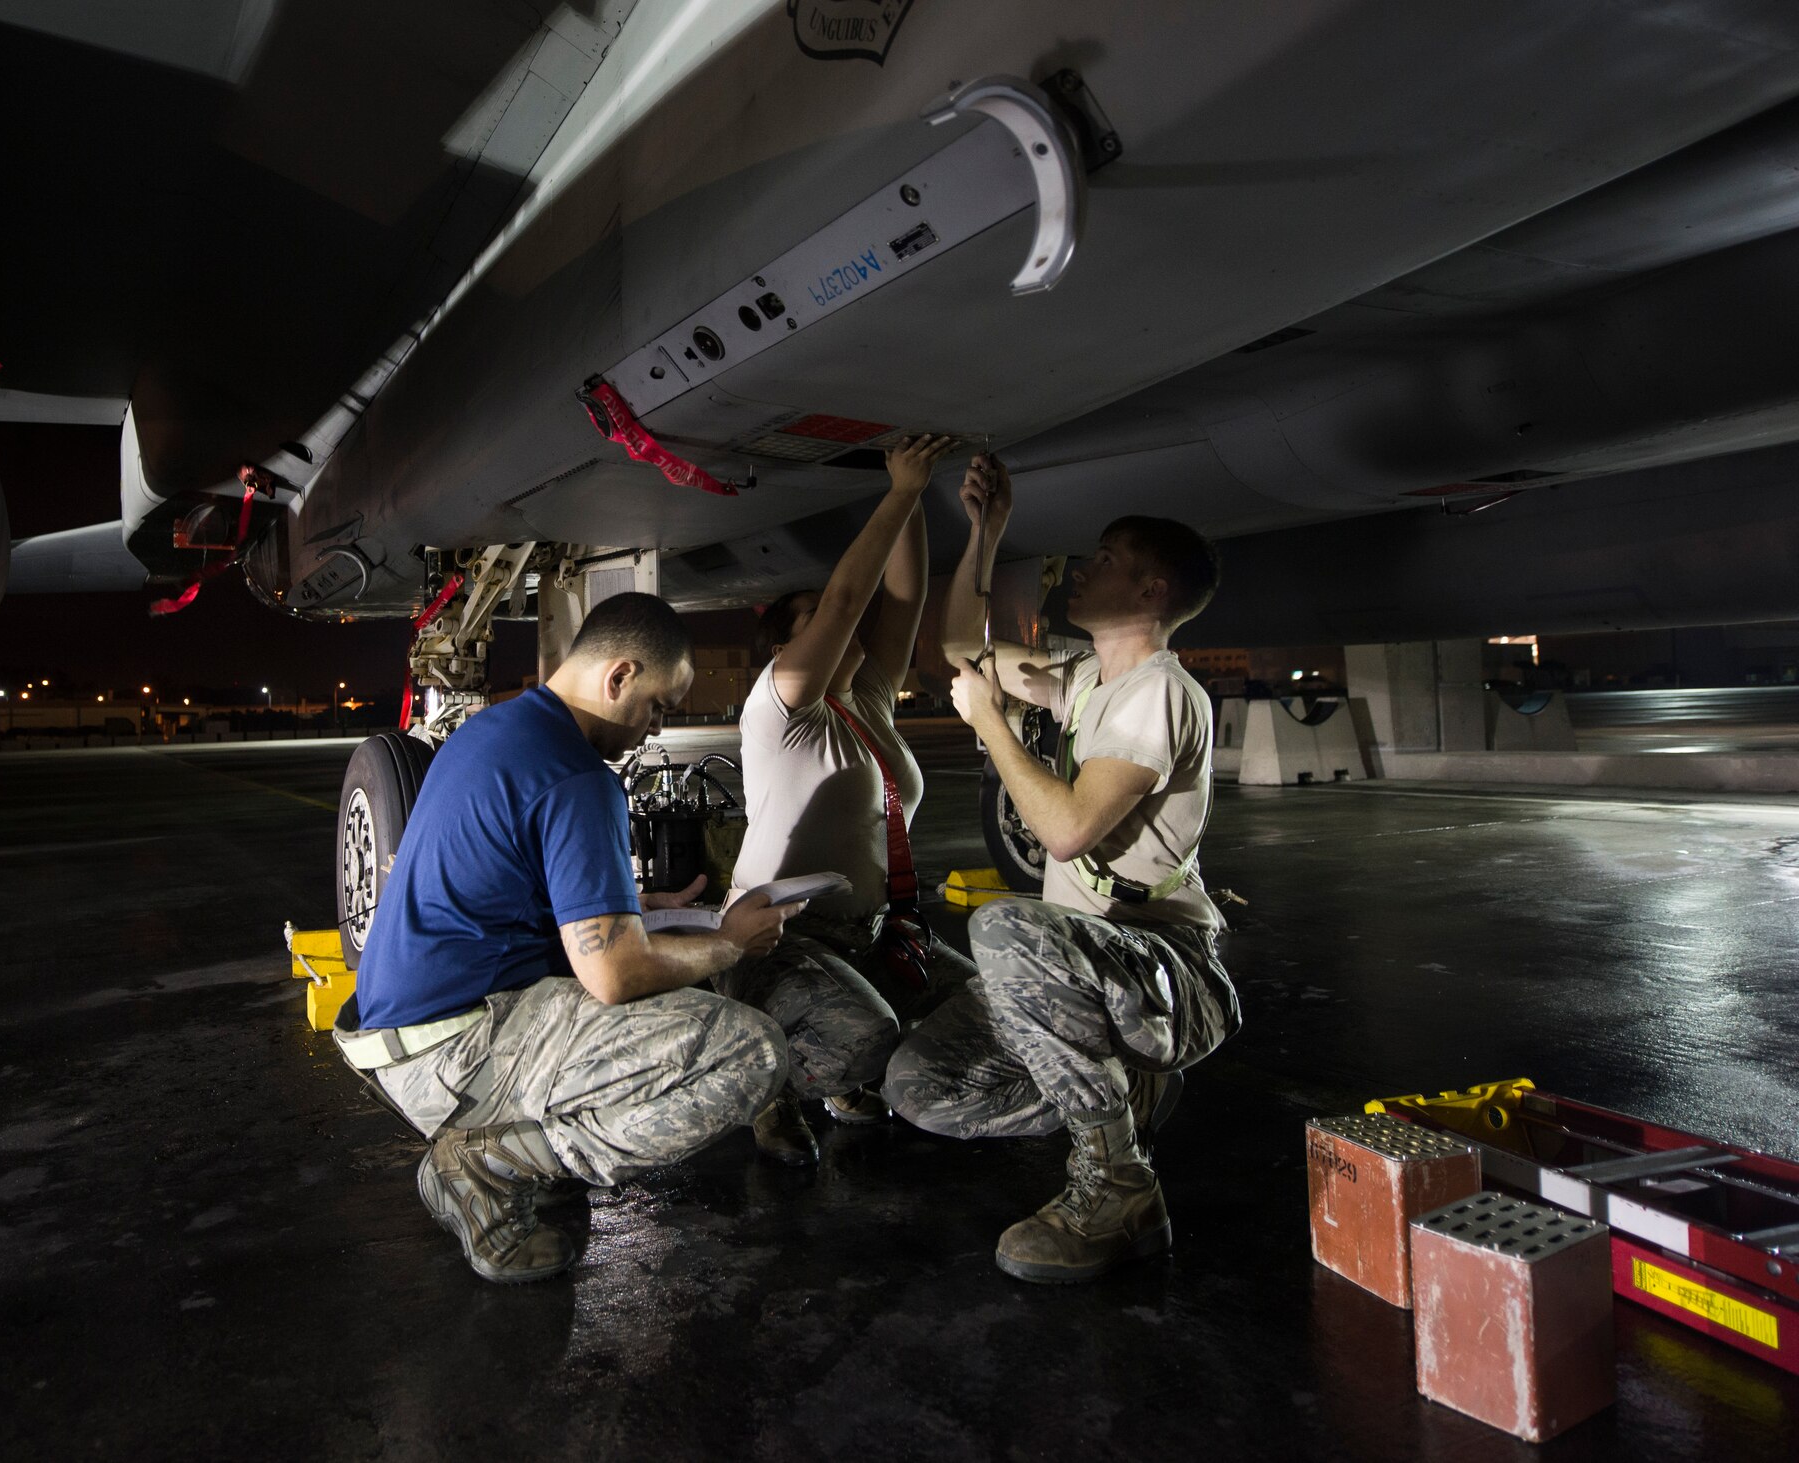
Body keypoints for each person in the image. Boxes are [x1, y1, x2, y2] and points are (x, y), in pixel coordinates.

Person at [335, 592, 800, 1283]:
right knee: (754, 1050)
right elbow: (613, 974)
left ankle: (509, 1143)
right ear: (619, 676)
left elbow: (513, 888)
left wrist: (635, 904)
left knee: (670, 968)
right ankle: (490, 1164)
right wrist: (730, 941)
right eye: (659, 706)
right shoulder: (578, 777)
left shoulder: (495, 732)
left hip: (399, 1032)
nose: (655, 729)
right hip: (454, 1051)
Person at [881, 455, 1242, 1283]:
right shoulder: (1085, 679)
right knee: (920, 1083)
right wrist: (985, 530)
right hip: (1087, 970)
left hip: (1164, 967)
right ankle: (1121, 1095)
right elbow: (957, 647)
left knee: (1004, 923)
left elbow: (1070, 829)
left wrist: (994, 729)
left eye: (1108, 560)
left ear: (1152, 591)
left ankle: (1120, 1184)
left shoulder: (1160, 691)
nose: (1085, 570)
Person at [722, 433, 978, 1165]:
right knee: (867, 1035)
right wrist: (894, 491)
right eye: (815, 622)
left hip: (870, 929)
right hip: (782, 940)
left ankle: (848, 1071)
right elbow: (844, 601)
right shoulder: (779, 709)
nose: (844, 624)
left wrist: (917, 490)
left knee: (974, 1004)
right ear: (785, 649)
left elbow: (903, 595)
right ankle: (773, 1085)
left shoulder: (865, 698)